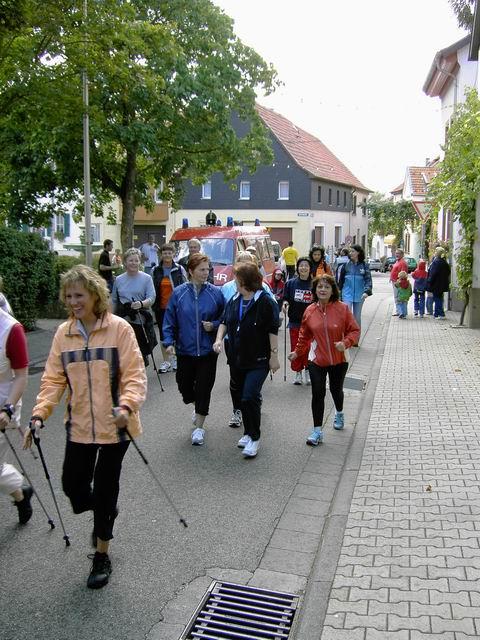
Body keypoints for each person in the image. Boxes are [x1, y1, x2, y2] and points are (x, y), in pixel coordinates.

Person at [24, 265, 146, 589]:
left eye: (79, 295)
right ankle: (105, 509)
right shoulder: (63, 334)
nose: (73, 301)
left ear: (94, 294)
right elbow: (53, 380)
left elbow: (135, 375)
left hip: (116, 427)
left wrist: (127, 405)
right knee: (72, 486)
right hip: (79, 425)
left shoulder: (119, 329)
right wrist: (39, 414)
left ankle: (102, 553)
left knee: (105, 488)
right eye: (68, 296)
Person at [213, 262, 280, 458]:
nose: (234, 282)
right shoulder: (235, 299)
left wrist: (274, 356)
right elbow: (224, 321)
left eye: (237, 279)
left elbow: (272, 330)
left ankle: (255, 438)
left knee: (249, 396)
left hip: (259, 359)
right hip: (237, 357)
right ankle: (248, 432)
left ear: (246, 281)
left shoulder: (265, 301)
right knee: (242, 396)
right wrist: (218, 339)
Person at [288, 274, 359, 446]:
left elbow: (354, 331)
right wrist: (297, 353)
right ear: (315, 290)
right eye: (320, 287)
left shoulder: (342, 309)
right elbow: (304, 336)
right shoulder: (310, 311)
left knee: (336, 390)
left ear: (333, 290)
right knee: (318, 393)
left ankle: (339, 413)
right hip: (316, 360)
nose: (323, 290)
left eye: (327, 287)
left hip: (339, 359)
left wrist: (345, 343)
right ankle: (317, 431)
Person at [162, 253, 224, 446]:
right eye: (202, 270)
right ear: (190, 271)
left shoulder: (215, 293)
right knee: (184, 387)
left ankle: (199, 427)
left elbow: (225, 318)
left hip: (207, 351)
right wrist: (168, 342)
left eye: (207, 269)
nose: (206, 273)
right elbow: (169, 319)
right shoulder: (179, 293)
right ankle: (197, 406)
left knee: (204, 388)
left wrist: (213, 326)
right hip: (185, 350)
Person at [221, 251, 275, 429]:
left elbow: (272, 318)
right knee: (236, 379)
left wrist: (274, 353)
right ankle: (238, 411)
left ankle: (251, 405)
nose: (243, 266)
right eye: (240, 263)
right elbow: (222, 315)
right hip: (233, 341)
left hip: (256, 344)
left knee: (250, 384)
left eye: (247, 263)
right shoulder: (228, 289)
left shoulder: (263, 290)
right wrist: (217, 336)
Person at [0, 306, 32, 524]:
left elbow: (21, 376)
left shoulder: (11, 329)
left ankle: (20, 493)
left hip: (3, 406)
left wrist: (8, 409)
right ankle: (21, 493)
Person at [112, 248, 156, 366]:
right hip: (123, 318)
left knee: (140, 351)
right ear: (125, 262)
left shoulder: (147, 278)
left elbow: (152, 297)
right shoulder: (118, 279)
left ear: (140, 262)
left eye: (136, 260)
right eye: (131, 260)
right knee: (124, 351)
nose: (134, 263)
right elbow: (114, 300)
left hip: (140, 318)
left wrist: (141, 303)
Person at [152, 244, 187, 373]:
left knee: (176, 332)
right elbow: (152, 289)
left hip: (176, 307)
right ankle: (166, 361)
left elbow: (185, 286)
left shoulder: (179, 269)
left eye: (169, 253)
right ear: (161, 255)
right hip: (161, 308)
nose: (167, 255)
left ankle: (175, 359)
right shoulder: (156, 270)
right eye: (164, 253)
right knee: (163, 334)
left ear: (173, 254)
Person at [282, 257, 314, 385]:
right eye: (301, 265)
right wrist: (285, 304)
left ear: (310, 268)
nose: (303, 268)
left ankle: (308, 370)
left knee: (309, 348)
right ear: (297, 268)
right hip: (295, 321)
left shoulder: (315, 284)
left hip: (311, 323)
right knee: (296, 347)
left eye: (306, 265)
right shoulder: (290, 284)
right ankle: (298, 372)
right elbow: (285, 298)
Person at [337, 244, 372, 336]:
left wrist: (367, 291)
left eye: (353, 251)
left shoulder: (364, 265)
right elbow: (340, 281)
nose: (351, 253)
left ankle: (356, 338)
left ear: (358, 253)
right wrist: (338, 292)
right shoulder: (345, 265)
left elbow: (368, 280)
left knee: (357, 317)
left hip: (360, 295)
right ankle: (346, 336)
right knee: (347, 315)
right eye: (350, 251)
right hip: (347, 294)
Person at [426, 248, 451, 320]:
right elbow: (448, 272)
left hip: (436, 284)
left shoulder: (436, 262)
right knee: (438, 298)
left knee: (437, 299)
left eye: (435, 251)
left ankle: (441, 314)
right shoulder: (444, 262)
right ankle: (436, 314)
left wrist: (429, 281)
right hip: (442, 284)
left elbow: (433, 273)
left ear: (437, 253)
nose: (434, 252)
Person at [389, 249, 408, 316]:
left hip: (398, 282)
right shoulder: (398, 261)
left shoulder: (402, 262)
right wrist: (392, 268)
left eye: (398, 253)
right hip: (395, 281)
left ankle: (400, 312)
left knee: (398, 297)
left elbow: (403, 274)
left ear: (402, 254)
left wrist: (399, 282)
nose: (396, 254)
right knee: (397, 297)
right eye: (396, 253)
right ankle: (399, 311)